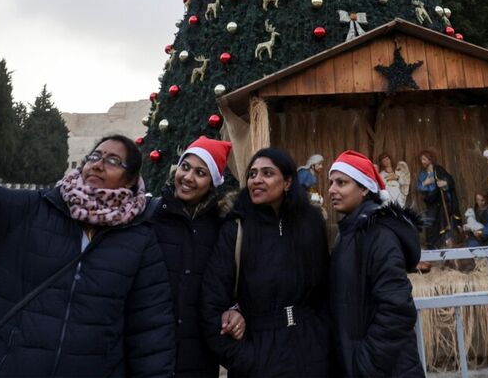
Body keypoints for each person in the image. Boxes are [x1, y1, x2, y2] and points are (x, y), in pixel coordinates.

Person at [0, 81, 174, 377]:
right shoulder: (29, 210)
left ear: (130, 181)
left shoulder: (140, 241)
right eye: (95, 156)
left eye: (114, 161)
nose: (99, 165)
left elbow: (150, 330)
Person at [200, 148, 330, 377]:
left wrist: (322, 342)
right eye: (252, 174)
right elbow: (211, 304)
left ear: (288, 182)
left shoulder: (311, 225)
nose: (256, 180)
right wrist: (247, 360)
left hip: (312, 355)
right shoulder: (236, 229)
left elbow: (325, 292)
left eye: (267, 173)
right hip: (259, 357)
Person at [148, 137, 243, 378]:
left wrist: (235, 309)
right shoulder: (152, 216)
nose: (188, 177)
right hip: (150, 348)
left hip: (200, 354)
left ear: (212, 181)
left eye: (200, 172)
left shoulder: (223, 227)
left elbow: (232, 282)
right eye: (185, 167)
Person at [326, 150, 424, 378]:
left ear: (364, 188)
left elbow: (397, 309)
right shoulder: (350, 231)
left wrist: (365, 363)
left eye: (342, 183)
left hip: (386, 369)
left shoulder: (379, 235)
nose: (332, 190)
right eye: (331, 182)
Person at [415, 150, 462, 248]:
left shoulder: (439, 170)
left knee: (445, 220)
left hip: (442, 200)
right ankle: (432, 245)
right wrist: (425, 183)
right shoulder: (423, 174)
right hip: (431, 201)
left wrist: (444, 183)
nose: (422, 161)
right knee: (431, 222)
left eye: (424, 159)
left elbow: (450, 180)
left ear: (430, 159)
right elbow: (419, 187)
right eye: (421, 160)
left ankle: (447, 244)